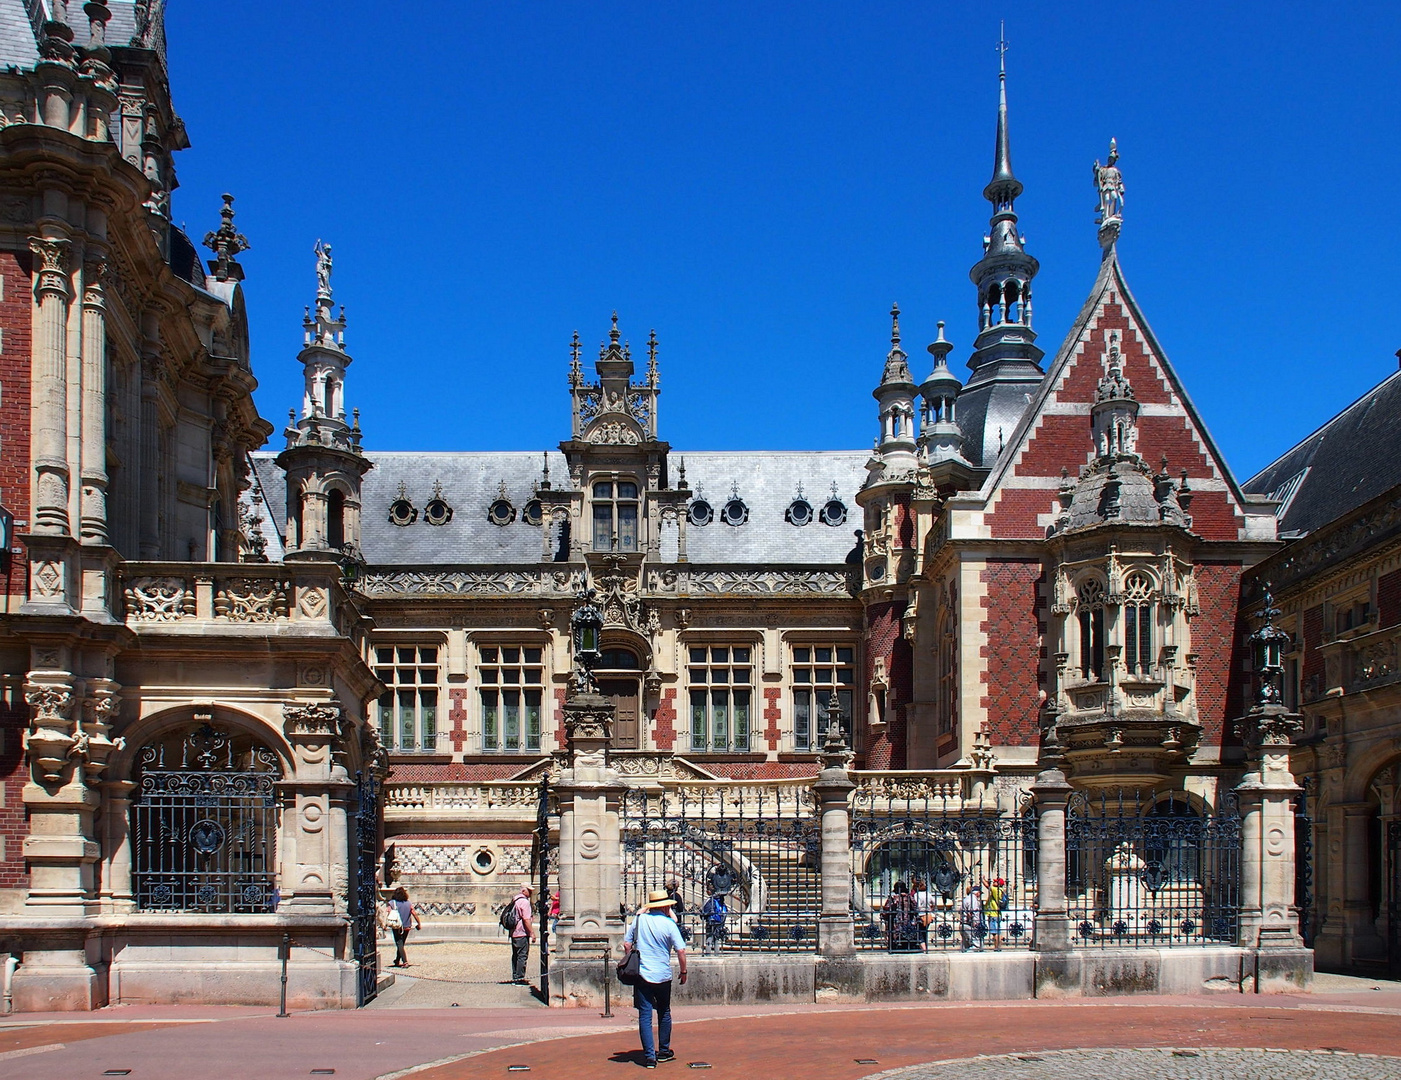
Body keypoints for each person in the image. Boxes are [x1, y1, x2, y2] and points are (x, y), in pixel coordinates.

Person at [622, 888, 688, 1068]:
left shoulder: (640, 920)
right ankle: (664, 1050)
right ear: (666, 907)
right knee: (664, 1012)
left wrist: (631, 957)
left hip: (643, 973)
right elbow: (681, 950)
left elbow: (627, 944)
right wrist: (683, 971)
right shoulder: (669, 924)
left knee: (645, 1015)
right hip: (663, 974)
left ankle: (650, 1057)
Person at [508, 883, 536, 984]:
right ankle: (519, 979)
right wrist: (532, 933)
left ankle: (515, 976)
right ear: (524, 890)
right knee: (522, 956)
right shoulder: (524, 902)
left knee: (515, 955)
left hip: (513, 932)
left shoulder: (515, 900)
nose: (531, 892)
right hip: (521, 932)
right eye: (529, 890)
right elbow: (526, 919)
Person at [388, 885, 421, 968]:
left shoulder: (392, 903)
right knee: (401, 944)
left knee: (399, 943)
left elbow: (387, 912)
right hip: (406, 927)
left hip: (397, 926)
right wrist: (419, 923)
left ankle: (405, 961)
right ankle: (397, 960)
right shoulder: (408, 903)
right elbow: (414, 913)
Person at [884, 881, 920, 952]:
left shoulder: (893, 897)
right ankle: (907, 947)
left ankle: (894, 947)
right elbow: (915, 907)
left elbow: (886, 908)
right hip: (907, 920)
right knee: (906, 934)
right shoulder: (909, 897)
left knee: (896, 935)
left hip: (896, 921)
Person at [700, 889, 728, 955]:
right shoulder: (721, 901)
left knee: (709, 938)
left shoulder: (711, 900)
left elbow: (705, 911)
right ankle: (717, 953)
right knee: (716, 939)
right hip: (720, 922)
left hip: (711, 921)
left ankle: (708, 953)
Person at [960, 884, 985, 952]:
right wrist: (976, 924)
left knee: (965, 945)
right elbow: (974, 912)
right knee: (977, 945)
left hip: (963, 924)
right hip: (969, 924)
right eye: (979, 893)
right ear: (977, 893)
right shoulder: (973, 900)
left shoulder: (966, 898)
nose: (979, 895)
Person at [984, 877, 1007, 951]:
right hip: (997, 914)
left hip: (993, 914)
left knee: (995, 933)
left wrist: (982, 879)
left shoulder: (996, 890)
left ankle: (997, 947)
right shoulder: (1001, 891)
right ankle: (999, 945)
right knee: (997, 932)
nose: (993, 882)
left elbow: (987, 886)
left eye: (995, 882)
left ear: (998, 884)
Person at [910, 877, 932, 952]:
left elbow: (917, 905)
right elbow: (934, 903)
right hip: (928, 915)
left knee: (919, 932)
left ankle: (923, 948)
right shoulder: (928, 894)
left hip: (920, 915)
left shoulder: (917, 895)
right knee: (925, 931)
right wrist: (929, 908)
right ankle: (925, 946)